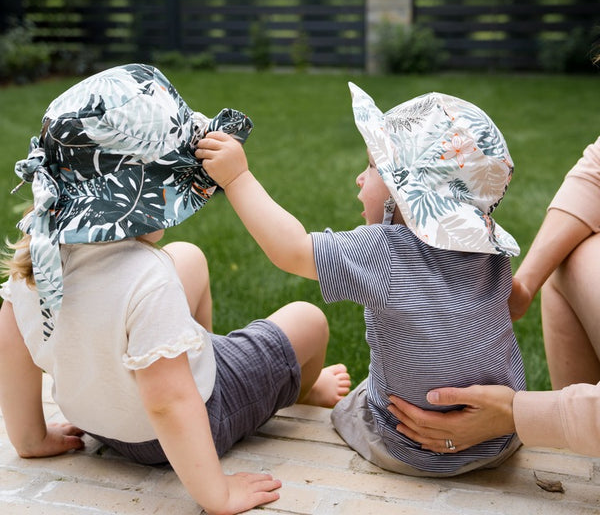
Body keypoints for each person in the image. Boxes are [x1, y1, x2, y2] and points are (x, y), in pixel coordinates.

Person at [0, 63, 350, 515]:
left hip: (102, 420)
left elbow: (13, 348)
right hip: (177, 429)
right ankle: (307, 388)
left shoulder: (36, 259)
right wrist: (216, 495)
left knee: (190, 257)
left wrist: (32, 439)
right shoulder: (146, 279)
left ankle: (182, 347)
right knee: (308, 319)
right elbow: (169, 403)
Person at [196, 82, 527, 477]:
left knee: (354, 403)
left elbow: (292, 249)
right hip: (500, 435)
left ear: (403, 196)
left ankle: (324, 395)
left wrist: (237, 178)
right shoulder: (488, 250)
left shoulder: (386, 251)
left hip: (411, 445)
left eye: (372, 167)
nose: (359, 178)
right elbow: (514, 300)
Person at [386, 136, 600, 457]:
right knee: (569, 256)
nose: (360, 178)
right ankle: (585, 456)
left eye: (373, 168)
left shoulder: (378, 252)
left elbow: (299, 252)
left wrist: (516, 413)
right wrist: (525, 286)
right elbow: (595, 174)